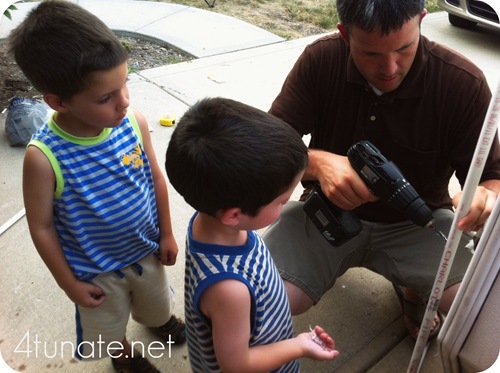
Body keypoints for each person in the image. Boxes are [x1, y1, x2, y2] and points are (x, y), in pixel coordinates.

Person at [262, 0, 500, 340]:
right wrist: (315, 163)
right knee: (260, 298)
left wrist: (485, 197)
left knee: (482, 309)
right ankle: (415, 286)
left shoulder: (463, 83)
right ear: (345, 34)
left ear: (422, 21)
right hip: (328, 215)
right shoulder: (320, 60)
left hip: (421, 223)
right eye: (371, 53)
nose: (390, 67)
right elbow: (266, 147)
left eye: (404, 48)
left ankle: (413, 289)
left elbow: (493, 177)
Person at [9, 1, 186, 372]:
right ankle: (122, 355)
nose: (123, 102)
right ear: (58, 101)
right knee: (106, 327)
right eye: (105, 97)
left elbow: (154, 177)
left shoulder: (132, 122)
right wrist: (68, 284)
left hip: (147, 251)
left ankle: (156, 322)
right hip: (95, 270)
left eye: (125, 84)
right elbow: (40, 226)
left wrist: (167, 233)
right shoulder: (43, 158)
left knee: (155, 303)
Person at [165, 96, 340, 372]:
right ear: (234, 215)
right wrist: (300, 345)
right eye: (281, 201)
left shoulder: (210, 218)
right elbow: (237, 364)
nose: (287, 201)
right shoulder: (229, 290)